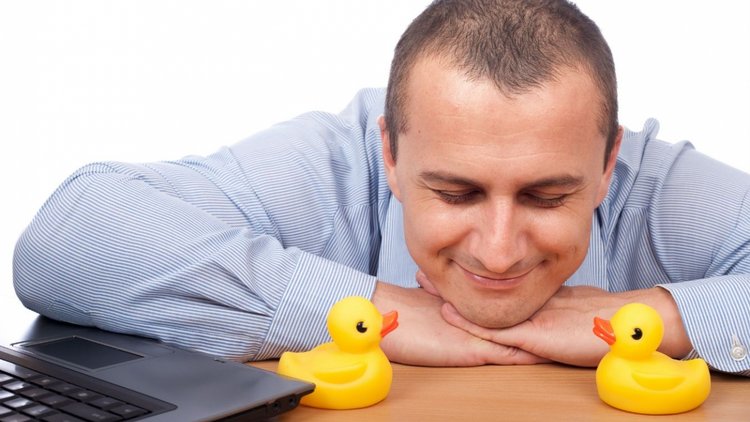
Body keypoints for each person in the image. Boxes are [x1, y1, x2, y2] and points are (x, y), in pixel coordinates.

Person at [12, 0, 750, 376]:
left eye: (546, 197)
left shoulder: (656, 182)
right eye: (455, 194)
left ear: (610, 161)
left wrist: (656, 316)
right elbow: (70, 234)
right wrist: (364, 309)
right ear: (389, 152)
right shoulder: (330, 162)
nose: (498, 252)